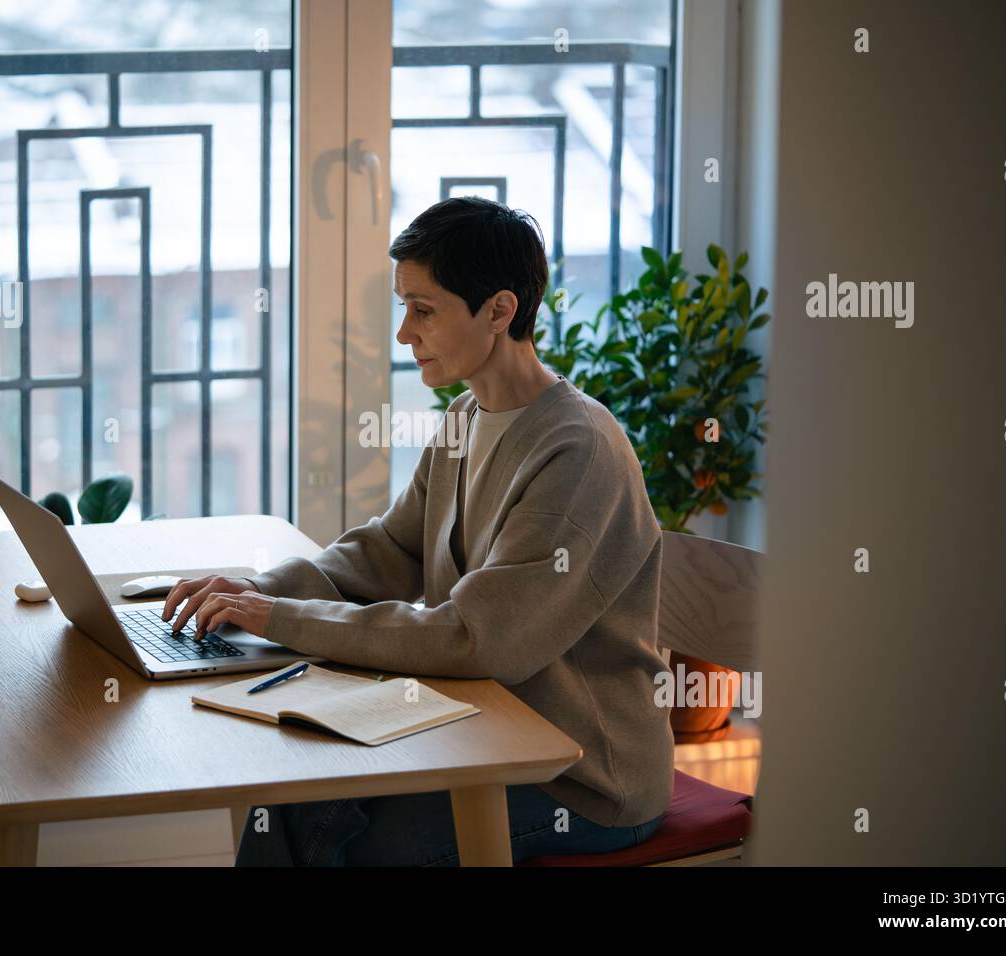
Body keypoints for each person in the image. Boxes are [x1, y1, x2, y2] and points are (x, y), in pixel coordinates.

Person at [163, 196, 673, 865]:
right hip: (482, 729)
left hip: (580, 777)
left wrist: (279, 617)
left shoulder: (577, 451)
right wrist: (254, 594)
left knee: (347, 837)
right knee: (289, 801)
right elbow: (392, 550)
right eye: (404, 307)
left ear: (498, 310)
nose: (405, 334)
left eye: (423, 310)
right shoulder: (467, 416)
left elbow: (478, 638)